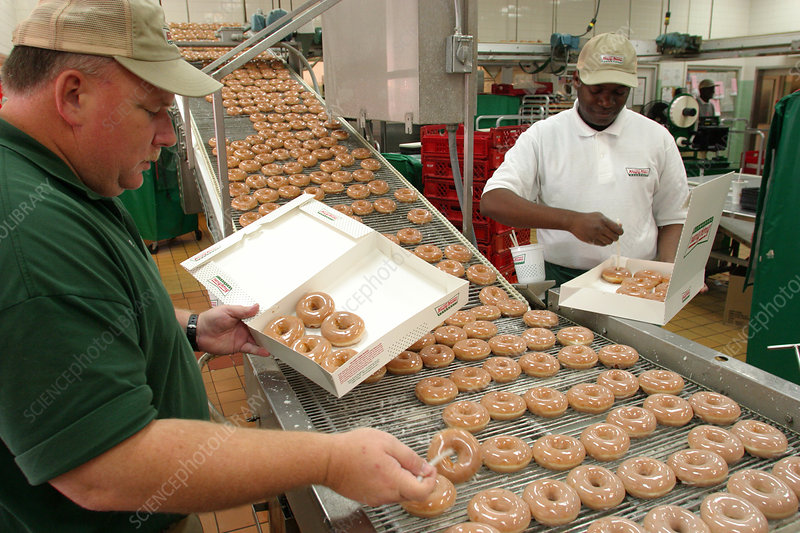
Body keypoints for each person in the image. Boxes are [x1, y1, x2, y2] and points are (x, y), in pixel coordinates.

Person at [0, 1, 435, 532]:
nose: (167, 134)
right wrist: (330, 460)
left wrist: (185, 327)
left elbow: (83, 316)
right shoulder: (30, 233)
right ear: (73, 94)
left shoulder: (56, 175)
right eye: (151, 109)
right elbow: (105, 468)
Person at [481, 32, 689, 286]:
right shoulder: (545, 135)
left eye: (618, 92)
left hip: (636, 279)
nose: (606, 101)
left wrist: (667, 272)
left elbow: (673, 216)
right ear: (576, 80)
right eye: (597, 90)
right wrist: (571, 221)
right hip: (562, 278)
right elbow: (493, 201)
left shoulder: (656, 138)